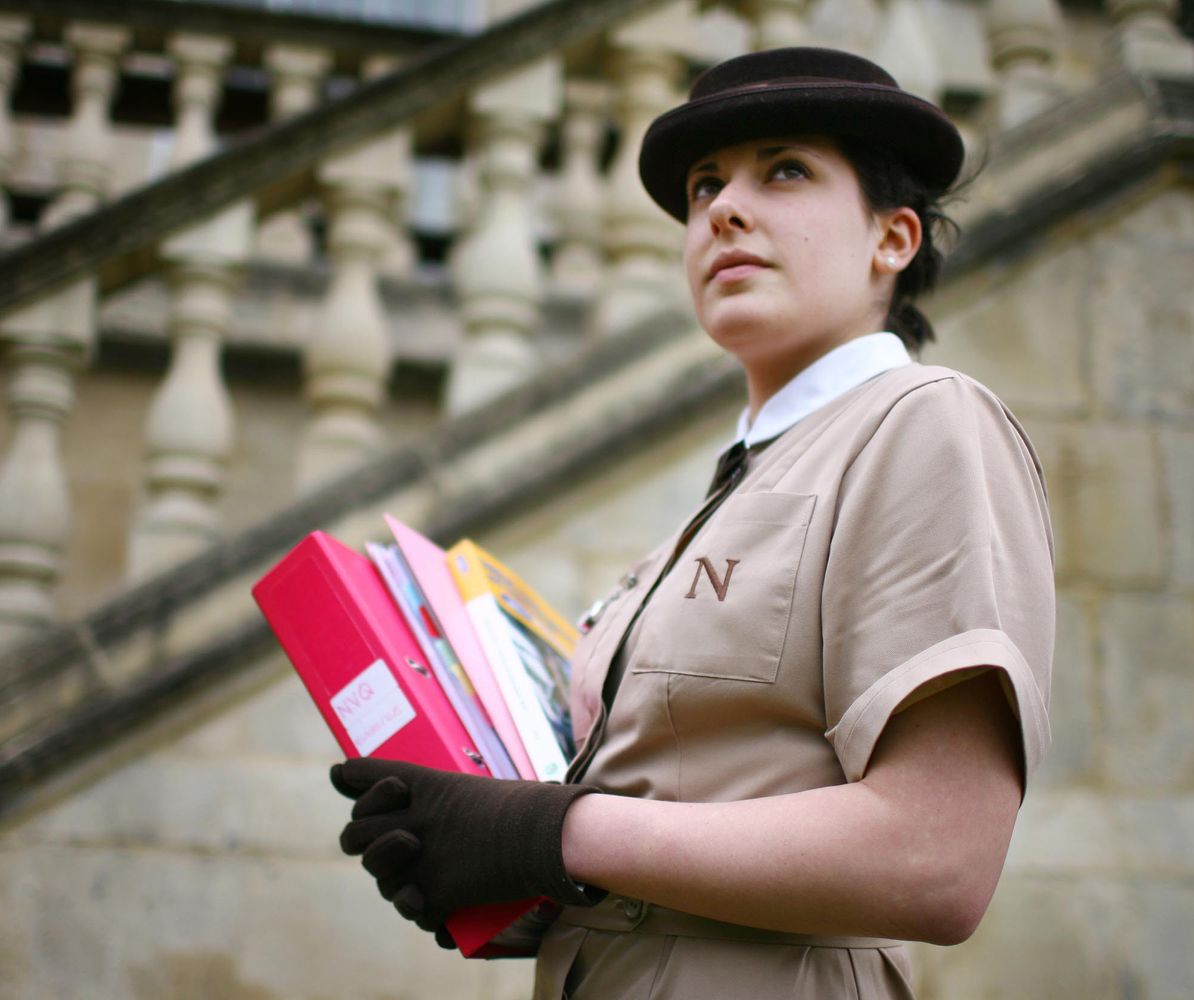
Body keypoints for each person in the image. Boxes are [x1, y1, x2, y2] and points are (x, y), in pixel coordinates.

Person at [331, 46, 1055, 1000]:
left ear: (893, 238)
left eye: (784, 169)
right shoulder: (718, 503)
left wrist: (549, 832)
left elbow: (936, 859)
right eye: (706, 185)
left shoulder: (924, 422)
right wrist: (501, 864)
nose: (723, 208)